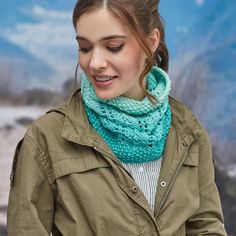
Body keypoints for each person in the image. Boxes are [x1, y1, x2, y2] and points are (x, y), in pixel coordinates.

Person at [7, 0, 227, 235]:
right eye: (85, 48)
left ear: (151, 42)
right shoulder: (46, 139)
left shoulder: (189, 132)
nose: (95, 63)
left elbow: (206, 227)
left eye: (113, 46)